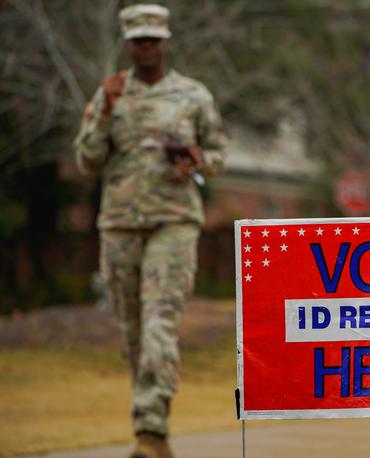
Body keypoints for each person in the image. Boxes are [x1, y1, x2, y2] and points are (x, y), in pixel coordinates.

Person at [74, 4, 228, 458]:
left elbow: (219, 154)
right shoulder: (110, 96)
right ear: (127, 43)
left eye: (153, 39)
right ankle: (152, 428)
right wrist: (105, 114)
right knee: (134, 334)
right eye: (138, 40)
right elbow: (86, 161)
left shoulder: (193, 95)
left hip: (174, 222)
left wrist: (198, 160)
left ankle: (150, 431)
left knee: (160, 323)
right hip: (120, 224)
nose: (146, 47)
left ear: (165, 41)